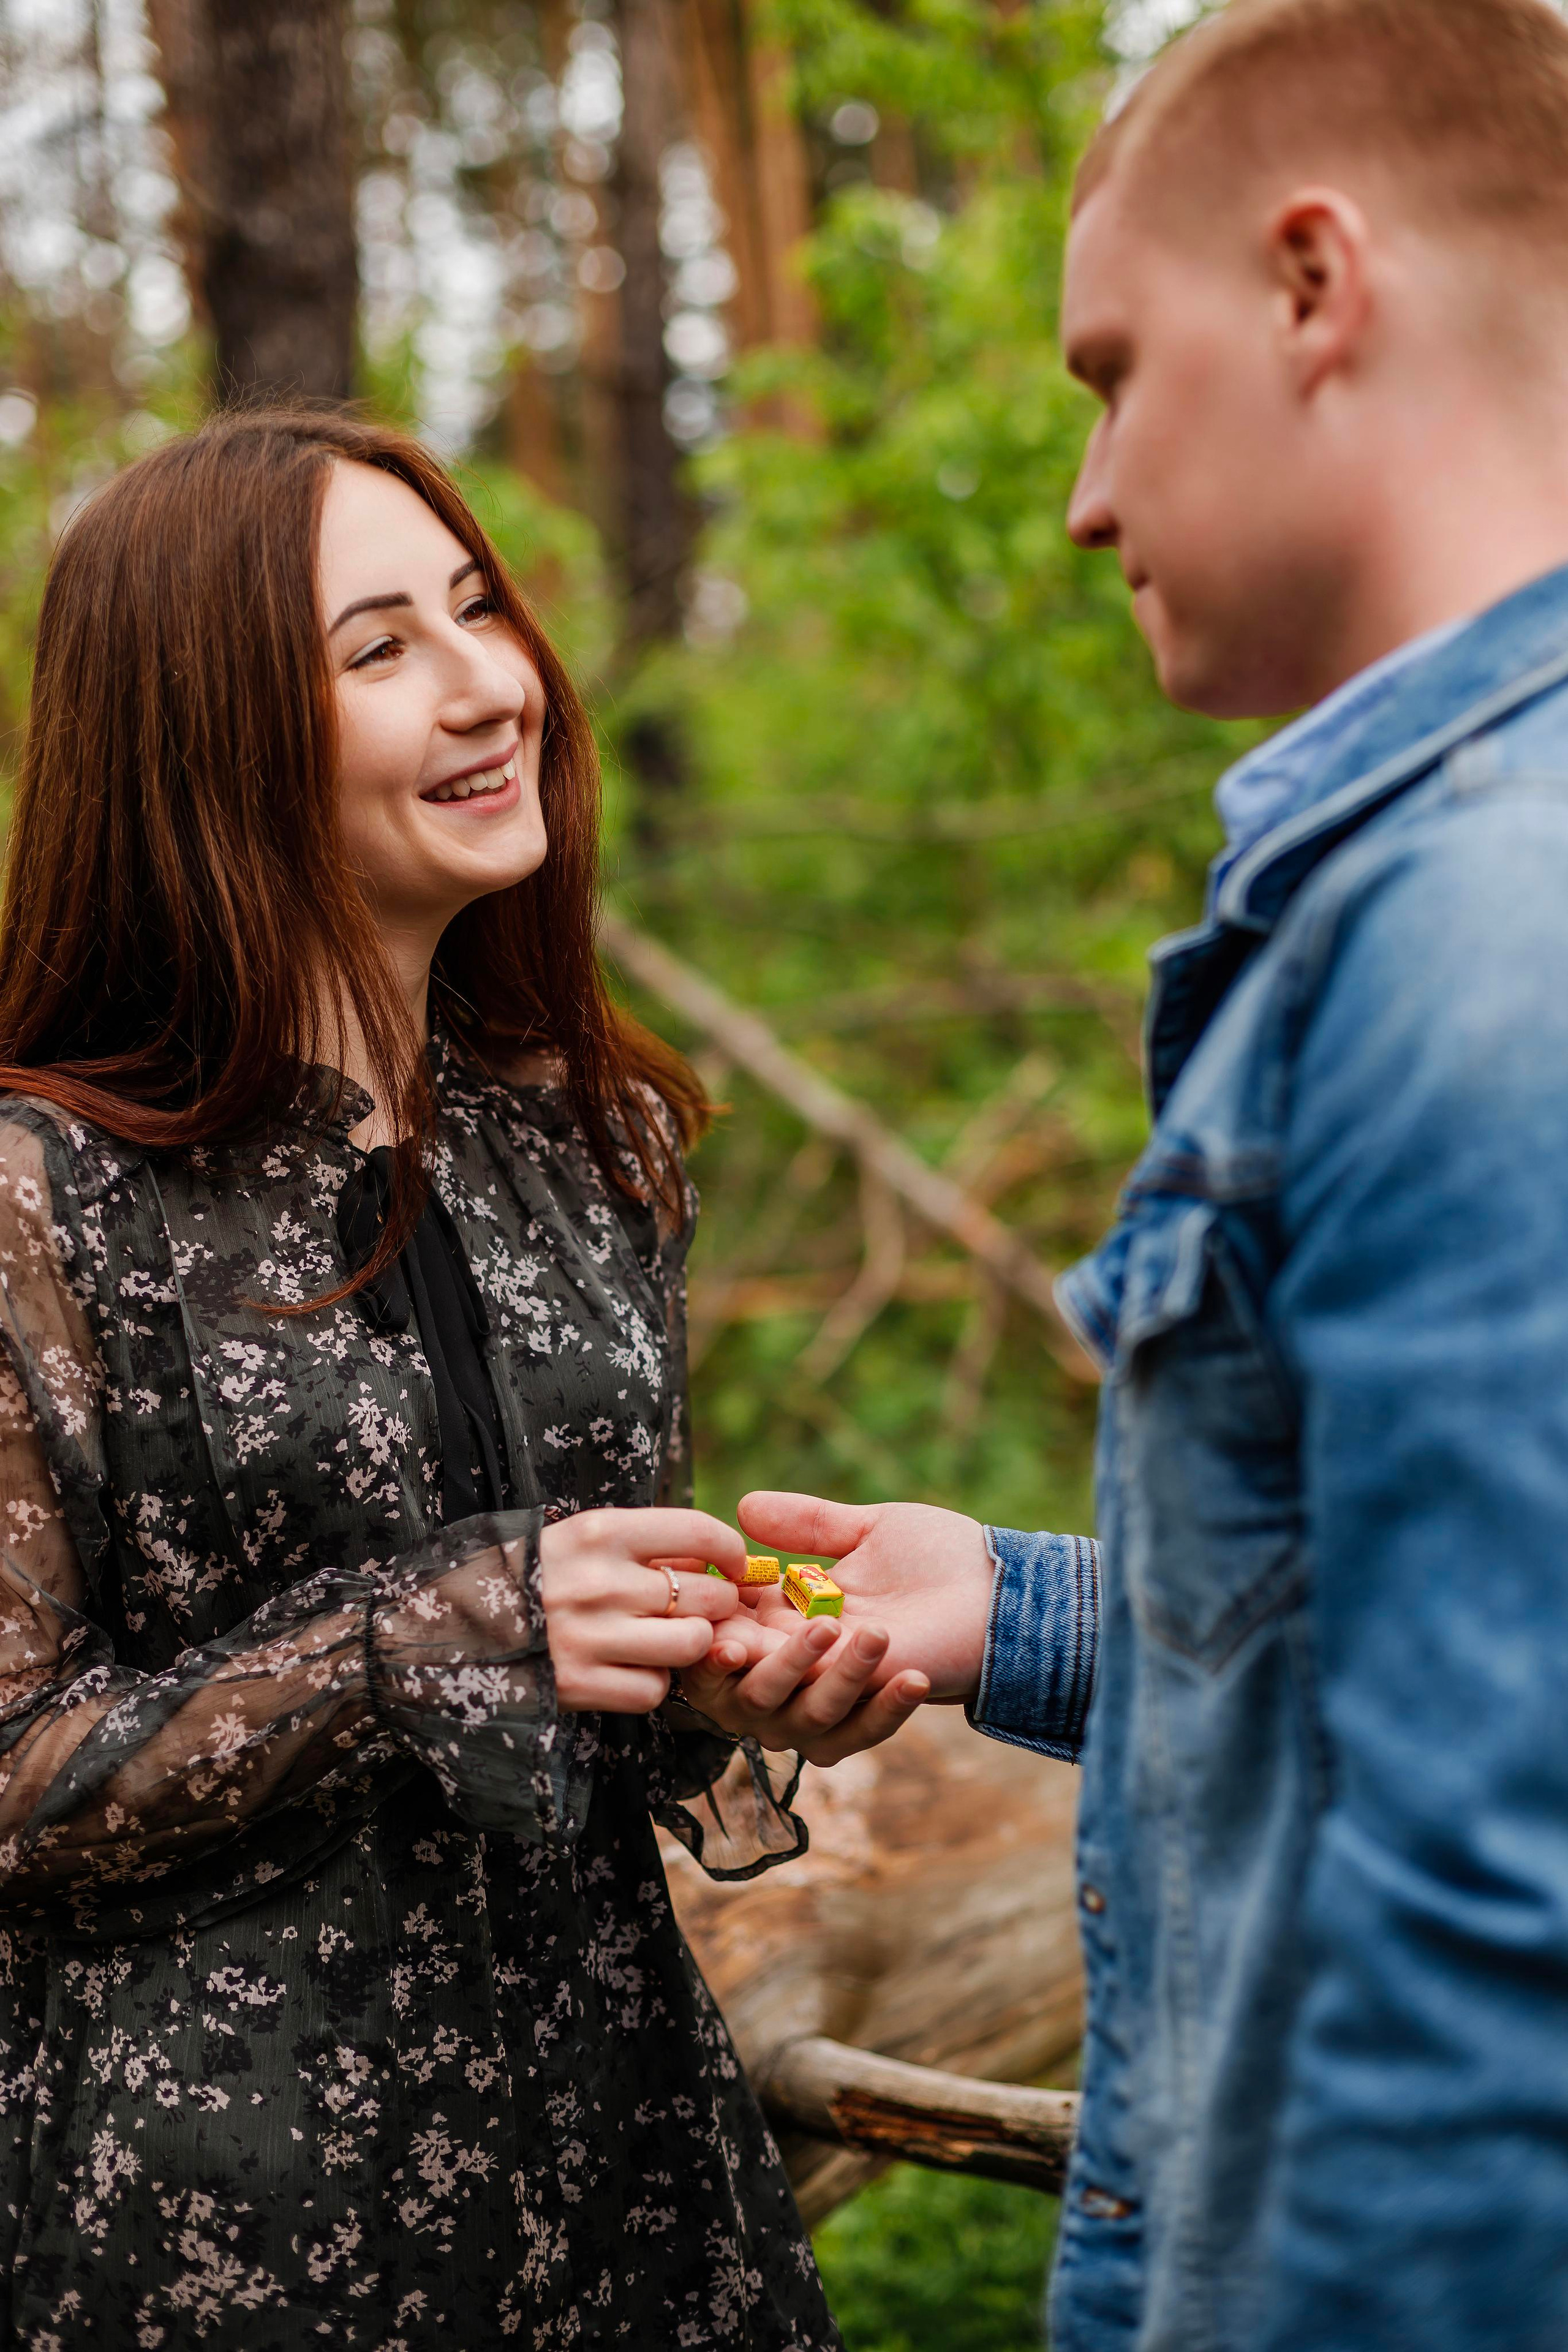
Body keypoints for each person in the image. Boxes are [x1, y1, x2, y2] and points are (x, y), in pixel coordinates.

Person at [685, 1, 1568, 2344]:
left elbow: (1504, 1946)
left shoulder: (1484, 929)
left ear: (1313, 286)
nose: (1086, 498)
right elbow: (1392, 1652)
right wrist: (1032, 1610)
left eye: (1109, 375)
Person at [0, 408, 911, 2348]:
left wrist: (725, 1679)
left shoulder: (595, 1141)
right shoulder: (39, 1199)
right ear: (206, 739)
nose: (493, 683)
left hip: (633, 2188)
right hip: (235, 2237)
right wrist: (427, 1636)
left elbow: (570, 1690)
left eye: (479, 606)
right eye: (380, 647)